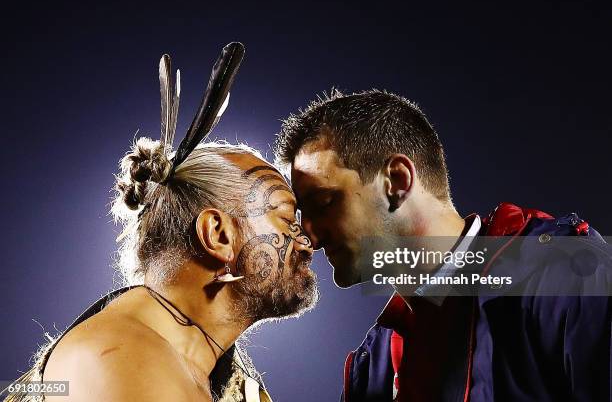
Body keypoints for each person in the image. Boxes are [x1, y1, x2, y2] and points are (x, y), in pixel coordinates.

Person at [4, 43, 317, 402]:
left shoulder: (194, 363)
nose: (306, 238)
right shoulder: (120, 360)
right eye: (286, 218)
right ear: (218, 235)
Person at [274, 89, 611, 401]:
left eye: (324, 202)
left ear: (397, 181)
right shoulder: (373, 366)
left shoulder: (562, 274)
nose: (311, 238)